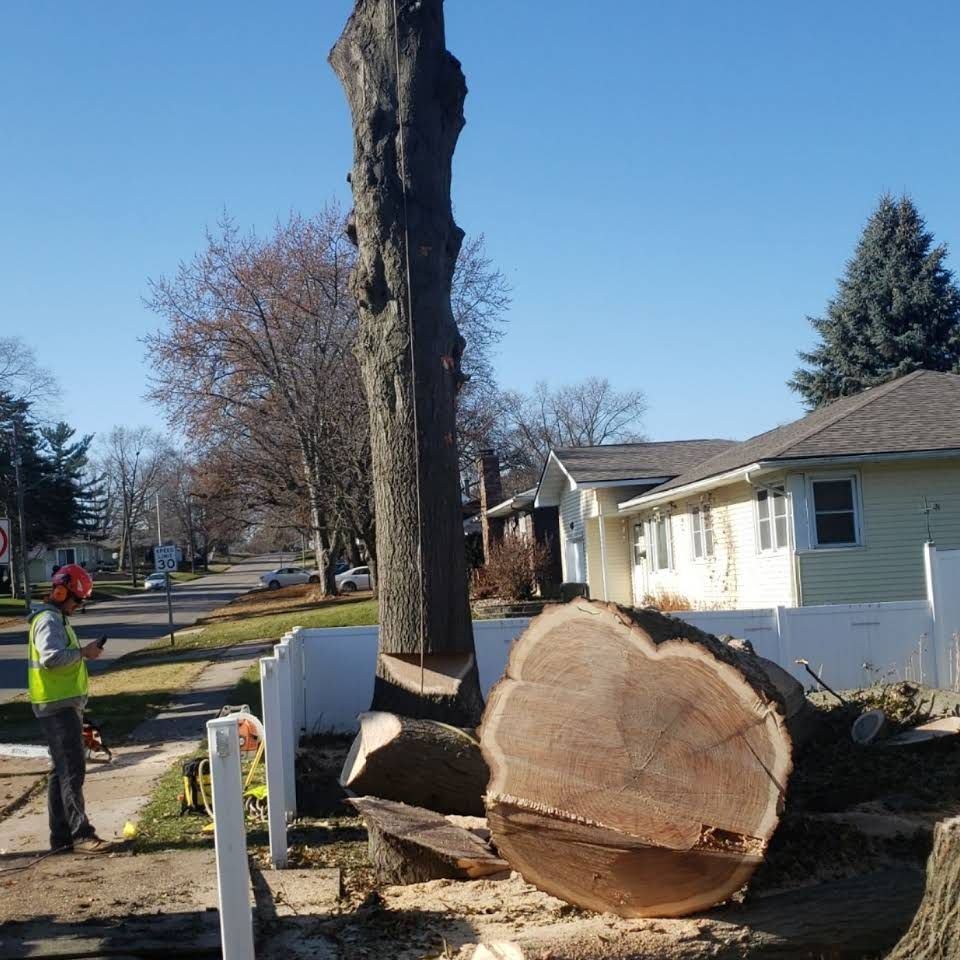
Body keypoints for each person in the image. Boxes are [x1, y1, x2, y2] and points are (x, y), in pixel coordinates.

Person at [27, 564, 118, 854]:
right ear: (62, 592)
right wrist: (83, 653)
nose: (78, 606)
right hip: (57, 706)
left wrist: (82, 655)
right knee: (72, 771)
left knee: (61, 771)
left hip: (62, 704)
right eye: (77, 600)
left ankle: (61, 837)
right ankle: (81, 835)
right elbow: (51, 659)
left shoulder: (57, 618)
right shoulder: (48, 621)